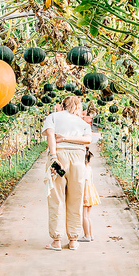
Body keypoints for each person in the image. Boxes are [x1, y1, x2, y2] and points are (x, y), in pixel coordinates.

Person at [42, 95, 92, 250]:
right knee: (75, 199)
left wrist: (53, 157)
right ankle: (73, 240)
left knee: (56, 197)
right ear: (77, 107)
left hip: (59, 159)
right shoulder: (82, 122)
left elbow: (50, 135)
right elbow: (88, 140)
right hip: (78, 161)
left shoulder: (53, 117)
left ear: (62, 105)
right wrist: (68, 138)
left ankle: (56, 241)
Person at [80, 148, 100, 242]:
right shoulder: (89, 167)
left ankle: (86, 235)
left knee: (84, 216)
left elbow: (86, 181)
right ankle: (90, 235)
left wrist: (85, 196)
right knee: (87, 216)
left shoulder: (84, 168)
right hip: (91, 191)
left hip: (86, 192)